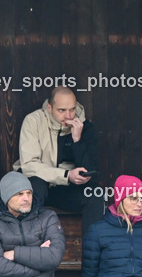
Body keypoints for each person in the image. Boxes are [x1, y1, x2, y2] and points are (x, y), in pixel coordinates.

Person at [14, 86, 104, 234]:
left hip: (64, 191)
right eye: (61, 110)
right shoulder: (33, 121)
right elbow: (29, 165)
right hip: (39, 187)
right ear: (49, 107)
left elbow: (91, 172)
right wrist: (66, 176)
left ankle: (92, 254)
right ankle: (29, 248)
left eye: (72, 110)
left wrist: (77, 140)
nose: (68, 116)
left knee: (94, 193)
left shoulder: (85, 126)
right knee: (35, 184)